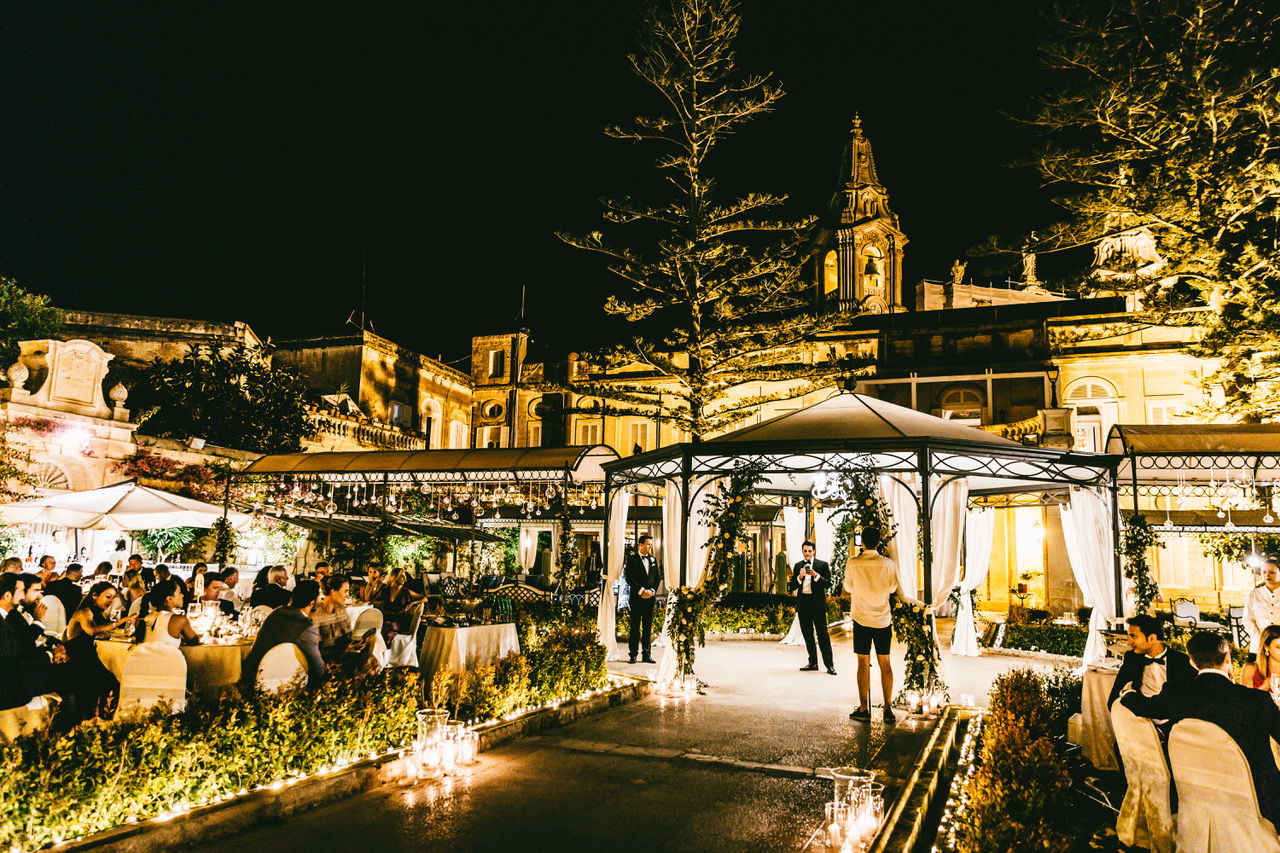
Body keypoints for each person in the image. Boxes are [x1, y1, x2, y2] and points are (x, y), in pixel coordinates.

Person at [1120, 630, 1280, 830]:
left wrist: (1127, 694)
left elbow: (1143, 706)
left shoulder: (1175, 695)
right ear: (1227, 657)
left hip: (1199, 792)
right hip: (1262, 799)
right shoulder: (1257, 700)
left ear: (1192, 662)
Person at [844, 527, 915, 722]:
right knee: (885, 663)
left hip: (861, 618)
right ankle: (887, 708)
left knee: (862, 662)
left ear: (862, 542)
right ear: (878, 543)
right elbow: (892, 588)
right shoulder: (888, 564)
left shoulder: (853, 563)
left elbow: (848, 587)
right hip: (882, 619)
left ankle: (863, 708)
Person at [64, 581, 136, 720]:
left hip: (87, 655)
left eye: (113, 597)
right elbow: (91, 631)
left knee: (112, 682)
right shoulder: (85, 612)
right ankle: (94, 718)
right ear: (94, 595)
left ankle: (100, 718)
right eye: (108, 596)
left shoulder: (96, 612)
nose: (111, 601)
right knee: (110, 683)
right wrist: (120, 622)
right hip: (76, 658)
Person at [239, 580, 327, 692]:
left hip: (251, 674)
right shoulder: (306, 626)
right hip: (279, 683)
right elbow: (316, 665)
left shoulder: (276, 612)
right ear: (312, 603)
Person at [1106, 614, 1195, 708]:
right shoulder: (1132, 658)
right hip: (1138, 713)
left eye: (1134, 636)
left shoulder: (1181, 661)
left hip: (1172, 715)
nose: (1129, 642)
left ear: (1152, 638)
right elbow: (1114, 697)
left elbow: (1188, 701)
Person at [790, 540, 836, 675]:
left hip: (817, 605)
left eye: (809, 551)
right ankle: (813, 662)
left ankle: (830, 665)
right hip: (803, 604)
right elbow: (792, 586)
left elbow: (828, 584)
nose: (807, 553)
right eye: (805, 551)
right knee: (808, 635)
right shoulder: (798, 566)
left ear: (814, 551)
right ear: (802, 551)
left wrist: (816, 575)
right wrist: (799, 577)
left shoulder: (822, 565)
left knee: (822, 635)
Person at [624, 534, 661, 664]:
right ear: (640, 545)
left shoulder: (653, 560)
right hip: (636, 598)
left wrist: (652, 591)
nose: (650, 546)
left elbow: (657, 577)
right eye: (648, 544)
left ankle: (646, 654)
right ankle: (633, 655)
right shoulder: (632, 559)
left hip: (649, 598)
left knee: (647, 627)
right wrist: (641, 590)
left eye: (651, 544)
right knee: (635, 627)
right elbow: (629, 578)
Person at [137, 580, 200, 646]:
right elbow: (194, 641)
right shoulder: (179, 620)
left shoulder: (144, 618)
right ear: (169, 598)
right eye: (179, 592)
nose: (182, 595)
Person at [375, 568, 423, 643]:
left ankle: (384, 649)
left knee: (386, 630)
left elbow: (425, 598)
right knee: (375, 630)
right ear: (395, 577)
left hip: (400, 621)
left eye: (404, 576)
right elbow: (376, 604)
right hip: (385, 619)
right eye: (402, 576)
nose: (405, 579)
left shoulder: (405, 591)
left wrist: (414, 603)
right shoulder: (385, 590)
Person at [311, 574, 353, 659]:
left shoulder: (341, 610)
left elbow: (348, 637)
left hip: (343, 656)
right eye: (345, 591)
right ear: (333, 591)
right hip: (327, 660)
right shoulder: (316, 616)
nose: (348, 595)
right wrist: (342, 650)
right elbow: (315, 650)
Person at [1245, 559, 1280, 662]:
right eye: (1264, 572)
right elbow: (1248, 620)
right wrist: (1260, 639)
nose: (1267, 575)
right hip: (1259, 647)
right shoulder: (1254, 594)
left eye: (1272, 572)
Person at [1241, 624, 1280, 696]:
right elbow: (1244, 700)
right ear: (1266, 647)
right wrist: (1263, 688)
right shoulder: (1251, 670)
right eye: (1278, 647)